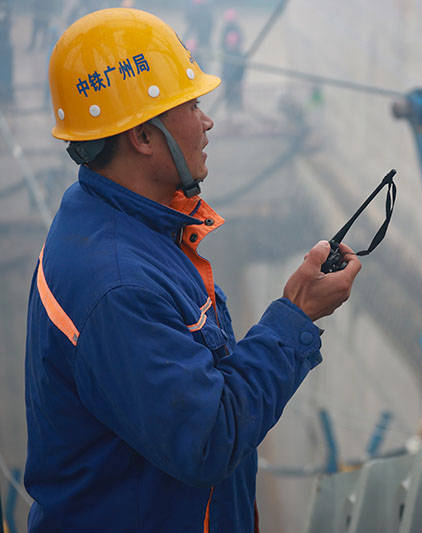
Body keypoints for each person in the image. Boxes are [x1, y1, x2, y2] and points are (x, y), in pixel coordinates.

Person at [24, 8, 360, 532]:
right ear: (142, 137)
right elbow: (208, 437)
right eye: (193, 104)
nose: (207, 121)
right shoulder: (118, 286)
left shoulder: (115, 222)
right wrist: (295, 317)